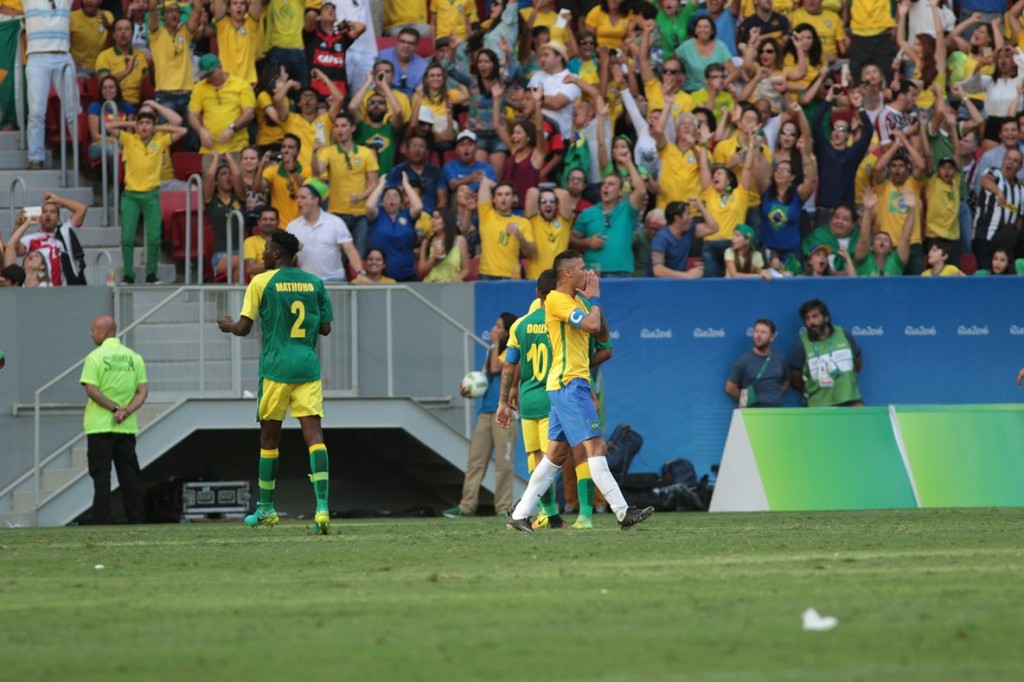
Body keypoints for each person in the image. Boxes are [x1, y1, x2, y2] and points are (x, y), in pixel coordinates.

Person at [505, 250, 655, 532]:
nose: (588, 273)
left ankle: (520, 513)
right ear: (567, 273)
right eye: (582, 268)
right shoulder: (556, 300)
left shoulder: (575, 301)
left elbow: (602, 335)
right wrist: (595, 299)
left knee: (554, 457)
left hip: (569, 384)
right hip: (569, 384)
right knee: (595, 448)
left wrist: (591, 301)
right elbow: (592, 325)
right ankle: (623, 512)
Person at [218, 230, 335, 534]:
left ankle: (266, 508)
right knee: (315, 436)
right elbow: (325, 328)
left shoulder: (261, 282)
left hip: (276, 369)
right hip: (307, 367)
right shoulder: (315, 283)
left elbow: (244, 328)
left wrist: (230, 326)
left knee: (269, 440)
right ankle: (322, 507)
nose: (262, 253)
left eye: (267, 249)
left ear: (277, 254)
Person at [443, 312, 519, 518]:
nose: (494, 330)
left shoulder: (513, 350)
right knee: (475, 461)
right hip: (486, 412)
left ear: (507, 331)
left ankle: (503, 508)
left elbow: (497, 368)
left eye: (499, 326)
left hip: (506, 414)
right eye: (494, 326)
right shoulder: (491, 351)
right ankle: (466, 506)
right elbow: (486, 378)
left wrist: (494, 345)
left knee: (504, 464)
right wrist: (469, 390)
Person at [105, 105, 188, 283]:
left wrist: (159, 128)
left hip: (151, 195)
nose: (144, 127)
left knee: (154, 237)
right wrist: (131, 123)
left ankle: (151, 274)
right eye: (141, 123)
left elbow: (182, 130)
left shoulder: (160, 141)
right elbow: (108, 127)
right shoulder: (129, 139)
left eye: (148, 123)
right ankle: (128, 274)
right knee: (127, 237)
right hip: (130, 195)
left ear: (153, 125)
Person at [80, 315, 148, 524]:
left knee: (101, 477)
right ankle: (136, 519)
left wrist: (114, 409)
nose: (91, 334)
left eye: (93, 330)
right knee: (129, 476)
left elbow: (91, 390)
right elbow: (142, 391)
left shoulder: (95, 357)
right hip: (125, 428)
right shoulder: (134, 357)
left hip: (100, 427)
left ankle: (102, 520)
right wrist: (125, 411)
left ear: (103, 332)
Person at [312, 112, 380, 257]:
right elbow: (318, 172)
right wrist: (314, 154)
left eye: (343, 126)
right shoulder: (328, 152)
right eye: (336, 126)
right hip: (337, 214)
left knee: (359, 254)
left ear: (352, 128)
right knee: (339, 256)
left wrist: (360, 197)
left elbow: (374, 183)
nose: (340, 130)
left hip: (361, 214)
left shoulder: (366, 152)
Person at [571, 151, 647, 277]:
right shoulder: (587, 213)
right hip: (592, 272)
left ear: (620, 192)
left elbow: (641, 191)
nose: (605, 187)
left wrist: (628, 162)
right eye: (604, 184)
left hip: (621, 271)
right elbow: (571, 239)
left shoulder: (627, 210)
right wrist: (587, 242)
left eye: (611, 184)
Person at [25, 0, 81, 170]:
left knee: (74, 110)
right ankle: (36, 158)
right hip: (37, 56)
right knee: (36, 111)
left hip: (63, 55)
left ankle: (82, 152)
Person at [286, 180, 369, 283]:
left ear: (315, 200)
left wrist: (360, 273)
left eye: (303, 197)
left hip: (334, 281)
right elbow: (285, 258)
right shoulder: (292, 226)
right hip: (306, 283)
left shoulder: (335, 222)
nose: (298, 201)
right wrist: (293, 250)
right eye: (298, 197)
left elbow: (350, 250)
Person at [148, 0, 202, 151]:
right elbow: (152, 9)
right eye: (170, 11)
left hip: (187, 94)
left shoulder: (184, 33)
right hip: (165, 96)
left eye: (177, 11)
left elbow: (197, 12)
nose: (174, 14)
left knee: (192, 139)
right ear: (163, 16)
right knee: (163, 140)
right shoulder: (156, 33)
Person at [789, 299, 863, 408]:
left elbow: (857, 361)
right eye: (807, 318)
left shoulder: (844, 333)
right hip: (819, 406)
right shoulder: (801, 344)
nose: (811, 322)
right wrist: (813, 388)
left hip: (851, 400)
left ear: (826, 317)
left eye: (815, 316)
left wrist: (848, 381)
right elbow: (795, 378)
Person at [7, 194, 89, 286]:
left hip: (63, 291)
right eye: (44, 211)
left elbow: (82, 209)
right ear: (39, 217)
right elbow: (13, 250)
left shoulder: (65, 232)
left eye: (52, 212)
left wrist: (58, 200)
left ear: (58, 218)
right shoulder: (31, 238)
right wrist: (18, 226)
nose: (48, 214)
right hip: (38, 291)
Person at [188, 53, 256, 155]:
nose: (208, 78)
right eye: (205, 75)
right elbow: (192, 115)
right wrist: (201, 131)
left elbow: (249, 112)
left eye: (210, 74)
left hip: (236, 147)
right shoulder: (199, 88)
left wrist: (232, 128)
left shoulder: (241, 85)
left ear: (220, 67)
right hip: (210, 149)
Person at [365, 174, 423, 282]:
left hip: (407, 272)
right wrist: (381, 185)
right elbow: (369, 206)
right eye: (387, 196)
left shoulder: (407, 214)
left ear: (401, 202)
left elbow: (418, 206)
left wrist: (406, 184)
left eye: (395, 196)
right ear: (382, 202)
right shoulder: (377, 215)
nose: (391, 198)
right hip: (381, 275)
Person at [726, 318, 789, 408]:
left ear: (772, 337)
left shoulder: (780, 359)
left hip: (776, 412)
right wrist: (747, 402)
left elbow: (786, 382)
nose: (758, 335)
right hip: (752, 413)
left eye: (763, 332)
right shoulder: (744, 360)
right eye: (756, 331)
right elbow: (730, 387)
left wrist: (773, 397)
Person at [651, 200, 708, 279]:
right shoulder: (661, 238)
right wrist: (686, 275)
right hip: (659, 286)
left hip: (678, 284)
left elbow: (713, 228)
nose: (691, 217)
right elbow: (657, 270)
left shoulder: (688, 231)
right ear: (677, 218)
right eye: (688, 214)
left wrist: (702, 208)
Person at [419, 209, 470, 282]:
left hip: (451, 286)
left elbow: (466, 269)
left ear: (446, 220)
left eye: (437, 218)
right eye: (432, 218)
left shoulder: (459, 240)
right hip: (431, 285)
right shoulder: (427, 241)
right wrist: (433, 258)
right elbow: (422, 270)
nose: (433, 221)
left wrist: (457, 278)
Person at [70, 0, 114, 77]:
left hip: (103, 66)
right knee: (82, 80)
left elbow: (116, 44)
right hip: (80, 68)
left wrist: (109, 27)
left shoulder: (108, 16)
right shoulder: (72, 17)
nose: (88, 1)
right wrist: (70, 59)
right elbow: (62, 44)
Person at [243, 207, 279, 280]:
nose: (268, 222)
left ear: (278, 222)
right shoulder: (250, 241)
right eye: (265, 219)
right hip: (259, 286)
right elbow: (250, 268)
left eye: (272, 219)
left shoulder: (284, 241)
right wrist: (277, 264)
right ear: (259, 222)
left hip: (281, 285)